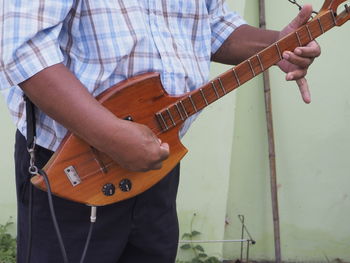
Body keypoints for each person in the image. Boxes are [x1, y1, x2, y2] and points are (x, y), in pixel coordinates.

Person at [0, 1, 320, 263]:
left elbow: (212, 24)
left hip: (158, 159)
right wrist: (111, 135)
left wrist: (278, 44)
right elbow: (25, 48)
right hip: (73, 164)